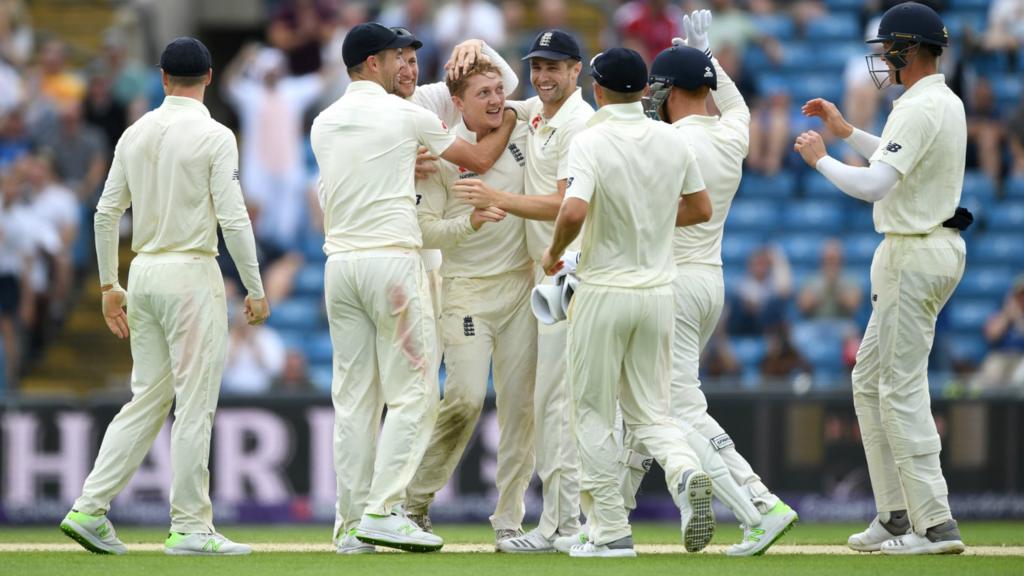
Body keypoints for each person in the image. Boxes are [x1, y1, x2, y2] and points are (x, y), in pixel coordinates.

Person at [59, 37, 269, 556]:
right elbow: (234, 217)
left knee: (149, 398)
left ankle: (89, 507)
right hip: (191, 273)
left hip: (144, 273)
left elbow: (106, 214)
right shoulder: (216, 135)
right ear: (211, 77)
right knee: (193, 403)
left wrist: (110, 285)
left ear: (161, 77)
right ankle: (191, 526)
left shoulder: (135, 132)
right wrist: (255, 287)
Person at [311, 22, 515, 555]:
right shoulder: (408, 113)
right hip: (392, 264)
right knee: (415, 395)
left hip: (341, 268)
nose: (407, 64)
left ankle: (351, 526)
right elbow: (477, 161)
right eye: (397, 56)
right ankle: (384, 511)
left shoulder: (323, 122)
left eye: (410, 55)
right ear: (371, 64)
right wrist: (512, 116)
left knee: (355, 401)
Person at [794, 2, 969, 555]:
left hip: (912, 255)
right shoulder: (939, 100)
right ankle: (895, 515)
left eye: (888, 49)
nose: (882, 61)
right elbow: (898, 161)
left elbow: (876, 186)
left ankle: (934, 524)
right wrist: (848, 132)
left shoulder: (918, 107)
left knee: (898, 388)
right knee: (869, 383)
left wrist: (822, 158)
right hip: (926, 248)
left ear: (908, 50)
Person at [541, 47, 714, 558]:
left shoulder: (590, 140)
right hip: (659, 293)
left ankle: (610, 531)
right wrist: (651, 222)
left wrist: (553, 252)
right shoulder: (671, 139)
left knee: (592, 412)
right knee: (651, 413)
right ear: (644, 91)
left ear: (597, 89)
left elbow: (573, 209)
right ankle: (684, 472)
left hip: (604, 292)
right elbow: (701, 208)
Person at [641, 10, 798, 556]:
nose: (651, 98)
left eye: (657, 88)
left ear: (669, 92)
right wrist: (709, 60)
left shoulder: (664, 145)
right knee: (649, 409)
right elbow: (736, 104)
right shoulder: (731, 133)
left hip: (673, 285)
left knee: (677, 409)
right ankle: (604, 520)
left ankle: (759, 506)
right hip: (711, 281)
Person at [454, 29, 593, 553]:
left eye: (555, 67)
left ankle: (563, 525)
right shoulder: (536, 108)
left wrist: (498, 198)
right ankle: (567, 520)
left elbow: (564, 203)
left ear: (577, 71)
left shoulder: (579, 124)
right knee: (552, 401)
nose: (543, 76)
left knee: (555, 402)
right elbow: (484, 99)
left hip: (569, 271)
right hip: (547, 275)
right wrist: (474, 44)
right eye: (538, 65)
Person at [406, 59, 536, 549]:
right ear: (456, 103)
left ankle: (508, 520)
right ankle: (415, 503)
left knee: (521, 407)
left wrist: (479, 47)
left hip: (520, 288)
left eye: (498, 90)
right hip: (466, 291)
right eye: (482, 93)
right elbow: (426, 230)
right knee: (463, 399)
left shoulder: (524, 122)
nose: (495, 100)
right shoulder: (440, 153)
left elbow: (542, 87)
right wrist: (472, 224)